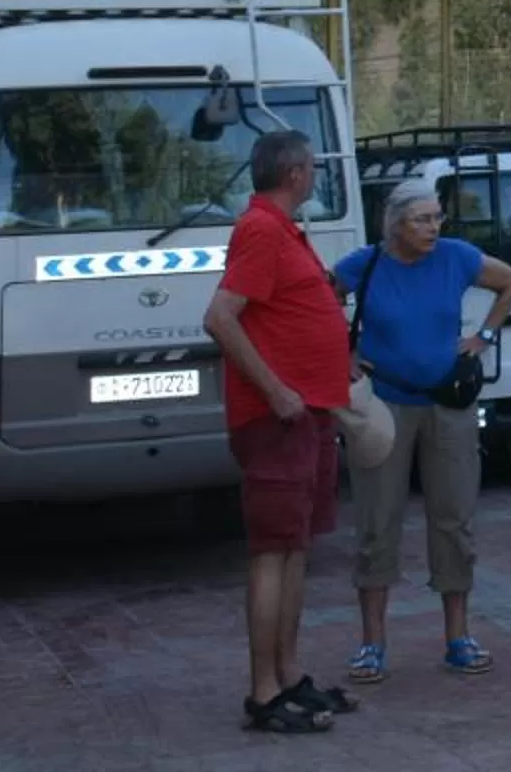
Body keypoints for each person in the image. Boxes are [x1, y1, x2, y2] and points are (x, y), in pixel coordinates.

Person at [332, 188, 511, 685]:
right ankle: (372, 643)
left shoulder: (456, 257)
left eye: (437, 217)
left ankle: (458, 637)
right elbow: (320, 302)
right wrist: (342, 357)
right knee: (377, 521)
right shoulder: (365, 264)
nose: (433, 228)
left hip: (448, 405)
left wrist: (484, 338)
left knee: (455, 518)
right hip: (385, 406)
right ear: (395, 225)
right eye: (421, 220)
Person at [202, 129, 355, 736]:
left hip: (307, 415)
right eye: (312, 168)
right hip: (277, 419)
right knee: (272, 552)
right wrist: (276, 389)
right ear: (295, 174)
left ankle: (289, 676)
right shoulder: (261, 228)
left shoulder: (284, 230)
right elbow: (219, 317)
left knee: (295, 550)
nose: (315, 175)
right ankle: (263, 692)